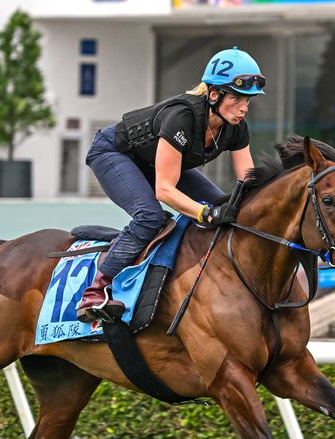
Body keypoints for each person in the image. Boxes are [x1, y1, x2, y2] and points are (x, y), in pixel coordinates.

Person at [76, 46, 265, 323]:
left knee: (224, 204)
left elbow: (246, 183)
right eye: (236, 98)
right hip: (114, 153)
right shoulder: (182, 116)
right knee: (150, 216)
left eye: (247, 100)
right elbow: (164, 190)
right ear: (213, 94)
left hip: (153, 161)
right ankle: (95, 291)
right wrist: (205, 213)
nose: (243, 108)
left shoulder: (237, 128)